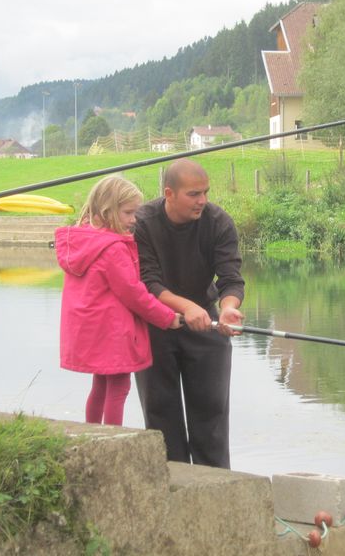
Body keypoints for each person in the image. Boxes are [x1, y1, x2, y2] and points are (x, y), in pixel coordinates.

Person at [134, 159, 244, 469]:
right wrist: (185, 307)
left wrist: (229, 309)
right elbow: (148, 282)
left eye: (206, 192)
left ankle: (216, 488)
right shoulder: (143, 223)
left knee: (211, 417)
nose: (202, 201)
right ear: (169, 193)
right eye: (194, 194)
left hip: (206, 323)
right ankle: (171, 487)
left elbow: (231, 279)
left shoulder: (218, 221)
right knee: (160, 416)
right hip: (155, 324)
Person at [55, 175, 182, 426]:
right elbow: (134, 294)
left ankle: (91, 433)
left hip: (90, 330)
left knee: (100, 384)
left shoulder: (84, 241)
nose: (134, 219)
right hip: (111, 331)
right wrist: (167, 317)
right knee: (119, 387)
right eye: (128, 213)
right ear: (107, 211)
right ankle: (113, 438)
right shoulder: (113, 249)